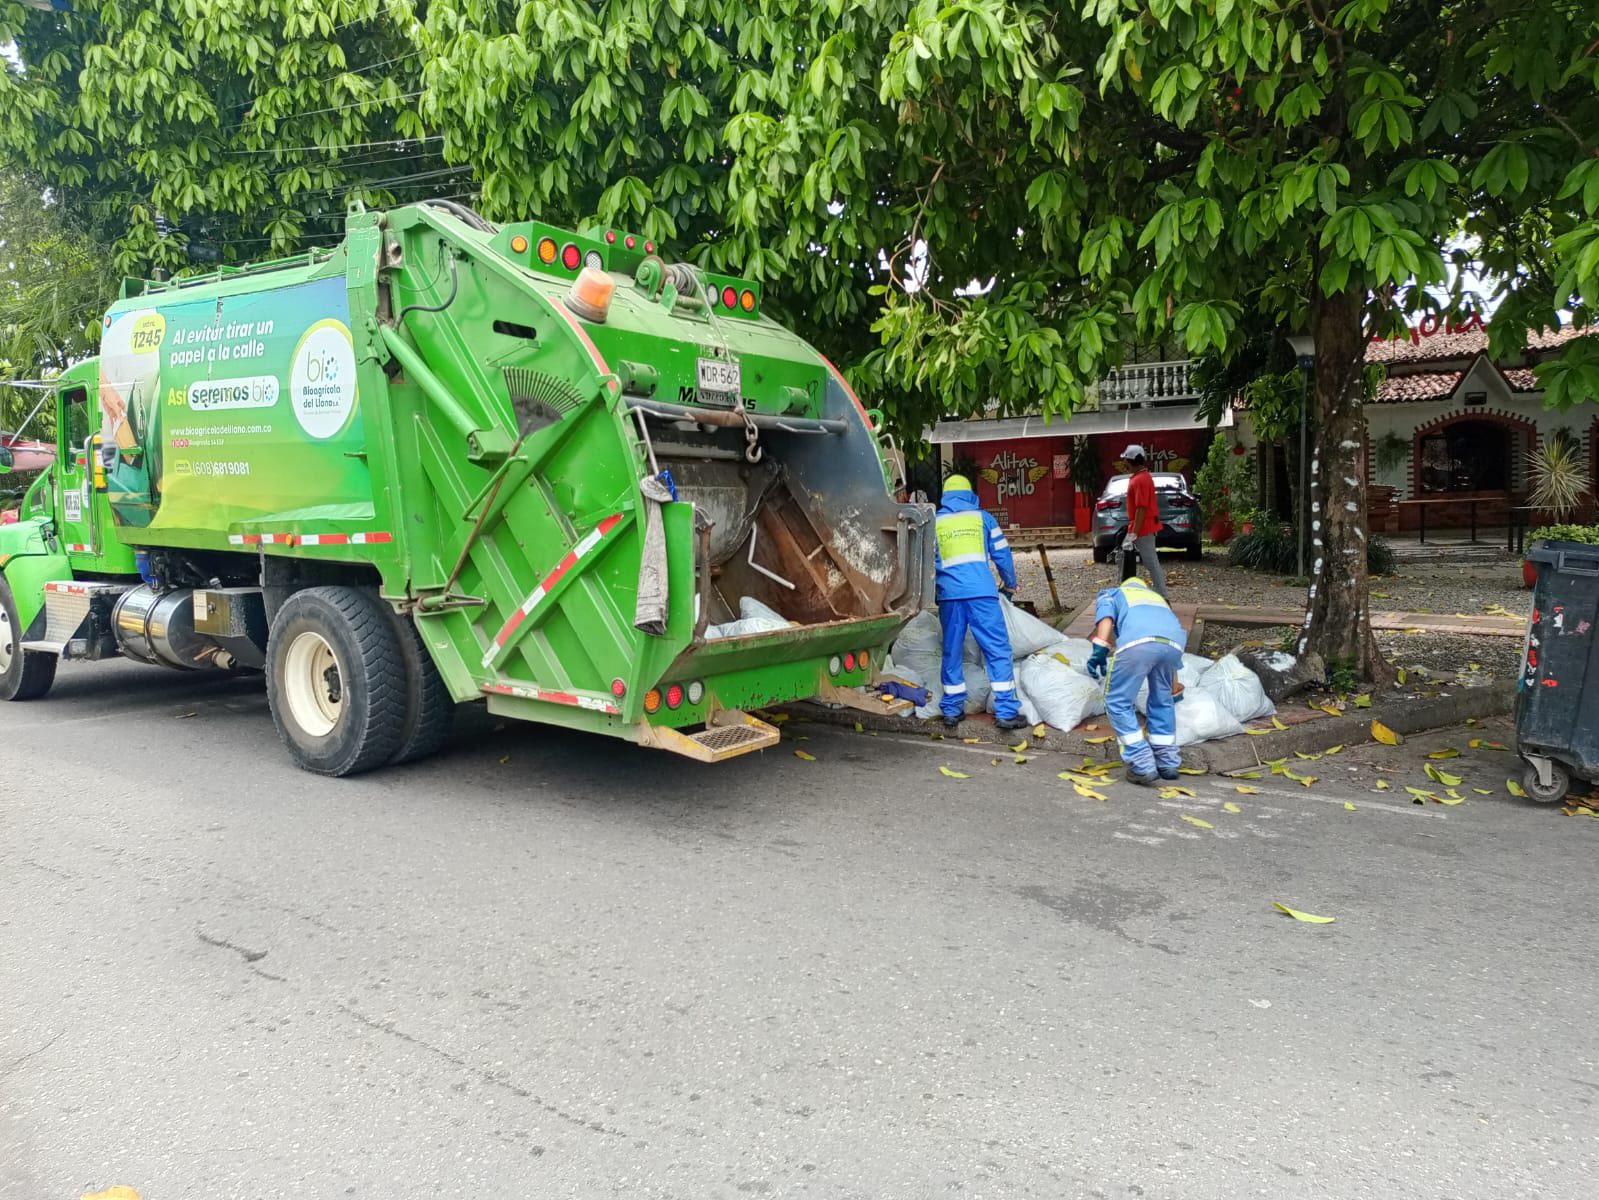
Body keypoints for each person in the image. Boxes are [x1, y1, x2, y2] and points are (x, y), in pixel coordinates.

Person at [933, 474, 1028, 732]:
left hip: (949, 596)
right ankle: (1006, 712)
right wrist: (1010, 583)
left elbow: (925, 562)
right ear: (970, 494)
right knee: (996, 649)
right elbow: (1002, 554)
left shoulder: (935, 523)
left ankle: (952, 709)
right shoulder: (983, 519)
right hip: (982, 594)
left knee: (952, 650)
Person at [1085, 576, 1185, 784]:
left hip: (1137, 644)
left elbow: (1106, 621)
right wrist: (1173, 686)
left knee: (1117, 701)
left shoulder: (1113, 593)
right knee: (1162, 699)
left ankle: (1141, 762)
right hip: (1173, 646)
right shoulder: (1158, 599)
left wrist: (1100, 646)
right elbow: (1167, 643)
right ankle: (1167, 761)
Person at [1119, 444, 1168, 600]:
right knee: (1149, 561)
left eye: (1125, 460)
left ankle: (1162, 595)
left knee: (1151, 562)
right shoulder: (1141, 477)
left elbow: (1141, 508)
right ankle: (1159, 593)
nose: (1124, 463)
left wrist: (1134, 532)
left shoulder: (1140, 480)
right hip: (1143, 525)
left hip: (1143, 527)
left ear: (1131, 460)